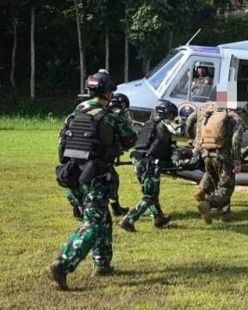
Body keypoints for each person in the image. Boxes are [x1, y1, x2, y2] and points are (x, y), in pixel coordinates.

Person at [48, 69, 137, 290]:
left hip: (73, 174)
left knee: (103, 218)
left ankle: (102, 263)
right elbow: (130, 139)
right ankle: (63, 264)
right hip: (96, 174)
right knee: (94, 224)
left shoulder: (76, 113)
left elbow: (62, 142)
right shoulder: (111, 115)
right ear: (108, 92)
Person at [118, 100, 186, 232]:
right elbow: (180, 131)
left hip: (138, 160)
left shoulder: (148, 124)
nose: (173, 118)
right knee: (149, 196)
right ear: (167, 114)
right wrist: (182, 121)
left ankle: (158, 218)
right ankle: (129, 220)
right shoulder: (164, 122)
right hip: (150, 162)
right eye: (173, 115)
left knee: (151, 192)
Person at [192, 105, 246, 224]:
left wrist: (197, 150)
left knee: (216, 182)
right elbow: (236, 140)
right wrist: (237, 160)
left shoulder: (210, 114)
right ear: (240, 110)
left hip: (207, 155)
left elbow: (198, 133)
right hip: (223, 157)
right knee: (226, 187)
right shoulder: (236, 119)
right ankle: (208, 204)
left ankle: (225, 215)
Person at [107, 92, 132, 216]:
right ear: (122, 103)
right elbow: (124, 136)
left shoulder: (101, 109)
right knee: (112, 180)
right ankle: (115, 208)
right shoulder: (117, 113)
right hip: (103, 155)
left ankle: (77, 208)